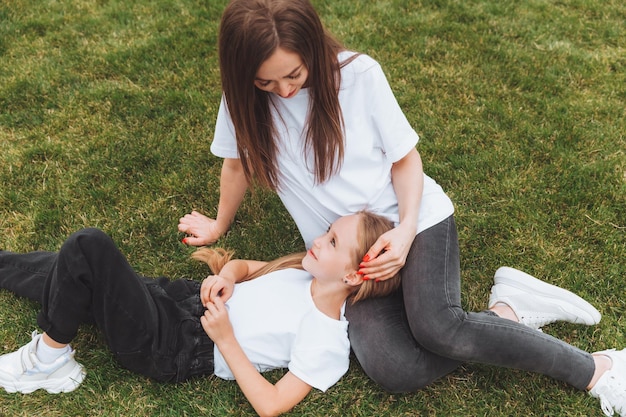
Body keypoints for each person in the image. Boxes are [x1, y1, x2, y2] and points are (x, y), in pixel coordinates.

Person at [177, 0, 626, 415]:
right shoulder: (242, 103)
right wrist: (218, 225)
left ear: (311, 47)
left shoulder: (357, 76)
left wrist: (407, 229)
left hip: (414, 217)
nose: (286, 91)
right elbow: (235, 166)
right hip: (351, 254)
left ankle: (598, 369)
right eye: (266, 82)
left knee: (438, 327)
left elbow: (406, 160)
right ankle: (507, 311)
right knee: (392, 367)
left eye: (294, 74)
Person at [0, 211, 401, 417]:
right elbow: (242, 267)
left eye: (331, 241)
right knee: (73, 269)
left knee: (89, 246)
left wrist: (226, 338)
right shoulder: (303, 272)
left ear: (352, 274)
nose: (317, 239)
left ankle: (49, 360)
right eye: (327, 229)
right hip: (176, 298)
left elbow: (272, 404)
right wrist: (225, 278)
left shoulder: (327, 338)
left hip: (172, 344)